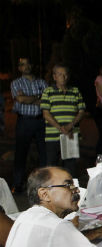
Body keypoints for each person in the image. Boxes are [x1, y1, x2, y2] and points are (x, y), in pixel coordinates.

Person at [40, 64, 85, 176]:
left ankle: (69, 189)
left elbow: (81, 111)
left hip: (71, 134)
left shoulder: (75, 91)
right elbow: (46, 114)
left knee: (70, 166)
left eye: (65, 74)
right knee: (52, 165)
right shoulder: (48, 91)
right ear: (54, 77)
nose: (63, 77)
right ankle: (53, 189)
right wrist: (61, 128)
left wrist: (70, 125)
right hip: (53, 135)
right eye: (60, 74)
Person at [10, 57, 48, 193]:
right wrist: (38, 97)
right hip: (24, 121)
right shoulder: (16, 83)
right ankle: (17, 184)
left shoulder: (42, 82)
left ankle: (45, 183)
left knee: (44, 153)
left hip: (40, 121)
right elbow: (20, 99)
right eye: (22, 65)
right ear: (19, 68)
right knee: (21, 153)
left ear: (31, 66)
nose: (26, 67)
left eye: (28, 64)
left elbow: (46, 100)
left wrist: (27, 98)